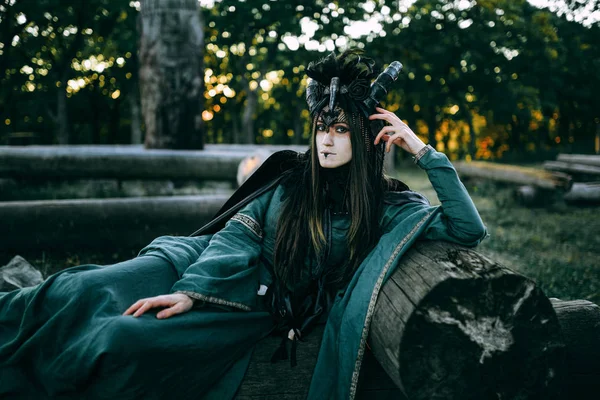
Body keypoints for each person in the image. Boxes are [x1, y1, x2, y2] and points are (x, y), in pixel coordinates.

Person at [0, 50, 487, 400]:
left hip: (245, 300)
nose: (327, 139)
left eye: (341, 130)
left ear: (366, 138)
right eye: (322, 126)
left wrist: (423, 151)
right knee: (76, 288)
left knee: (120, 341)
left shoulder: (386, 206)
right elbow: (238, 231)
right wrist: (191, 288)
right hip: (205, 265)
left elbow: (468, 229)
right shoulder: (292, 179)